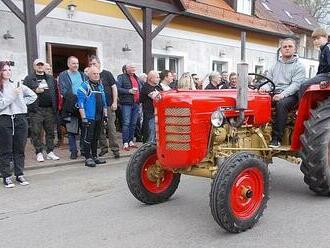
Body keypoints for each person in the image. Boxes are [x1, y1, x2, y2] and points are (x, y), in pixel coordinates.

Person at [260, 38, 306, 148]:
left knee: (281, 104)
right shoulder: (275, 65)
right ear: (280, 49)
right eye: (285, 47)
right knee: (258, 101)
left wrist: (282, 95)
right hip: (275, 92)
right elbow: (268, 81)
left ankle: (276, 138)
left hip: (291, 95)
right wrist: (265, 88)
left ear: (295, 49)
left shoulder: (299, 66)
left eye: (290, 46)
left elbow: (295, 85)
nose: (287, 48)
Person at [0, 61, 37, 187]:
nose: (8, 72)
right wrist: (13, 96)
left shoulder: (17, 84)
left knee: (19, 148)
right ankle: (6, 176)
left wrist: (22, 103)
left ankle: (19, 174)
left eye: (9, 69)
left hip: (20, 118)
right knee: (6, 149)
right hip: (5, 119)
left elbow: (33, 96)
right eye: (4, 70)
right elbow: (1, 104)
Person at [23, 59, 60, 162]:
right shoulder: (29, 79)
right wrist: (35, 90)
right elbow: (24, 93)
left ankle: (50, 152)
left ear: (44, 66)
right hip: (36, 109)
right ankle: (39, 152)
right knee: (36, 132)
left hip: (49, 109)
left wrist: (56, 107)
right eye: (37, 65)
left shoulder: (51, 78)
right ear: (34, 67)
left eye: (41, 65)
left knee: (50, 132)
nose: (40, 66)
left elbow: (56, 93)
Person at [88, 55, 120, 159]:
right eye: (91, 64)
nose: (93, 66)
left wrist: (115, 102)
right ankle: (103, 148)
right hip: (97, 107)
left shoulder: (107, 74)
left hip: (109, 106)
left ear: (99, 63)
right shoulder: (90, 76)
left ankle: (115, 149)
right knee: (100, 129)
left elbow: (114, 88)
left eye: (94, 63)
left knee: (111, 128)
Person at [77, 66, 107, 167]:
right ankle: (88, 157)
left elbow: (104, 102)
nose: (96, 75)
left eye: (98, 73)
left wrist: (105, 116)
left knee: (96, 137)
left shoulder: (100, 86)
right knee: (88, 137)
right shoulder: (84, 86)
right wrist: (84, 118)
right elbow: (80, 103)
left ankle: (95, 156)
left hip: (99, 117)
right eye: (94, 74)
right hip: (89, 117)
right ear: (88, 75)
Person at [58, 56, 86, 159]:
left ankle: (83, 149)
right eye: (73, 63)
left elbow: (86, 88)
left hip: (82, 106)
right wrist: (76, 99)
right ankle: (73, 151)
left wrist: (82, 99)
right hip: (70, 106)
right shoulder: (63, 75)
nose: (76, 65)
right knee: (71, 130)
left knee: (84, 128)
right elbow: (63, 90)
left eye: (77, 63)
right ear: (68, 64)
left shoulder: (83, 75)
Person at [299, 28, 330, 98]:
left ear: (326, 37)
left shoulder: (328, 48)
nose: (316, 41)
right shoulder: (322, 50)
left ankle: (302, 108)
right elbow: (320, 69)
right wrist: (317, 77)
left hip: (327, 76)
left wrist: (326, 80)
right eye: (314, 39)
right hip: (323, 75)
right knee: (305, 83)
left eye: (318, 38)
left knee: (304, 86)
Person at [117, 64, 142, 150]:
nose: (133, 69)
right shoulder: (121, 77)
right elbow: (118, 88)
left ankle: (131, 141)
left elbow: (140, 89)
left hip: (136, 103)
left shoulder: (136, 78)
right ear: (126, 69)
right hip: (126, 103)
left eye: (134, 68)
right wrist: (129, 91)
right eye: (131, 68)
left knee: (133, 123)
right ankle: (125, 143)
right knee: (126, 123)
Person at [140, 71, 161, 143]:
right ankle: (147, 151)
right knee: (150, 135)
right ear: (151, 79)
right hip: (150, 115)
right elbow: (156, 97)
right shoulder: (146, 87)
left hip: (157, 113)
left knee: (156, 134)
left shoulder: (158, 87)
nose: (159, 79)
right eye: (157, 77)